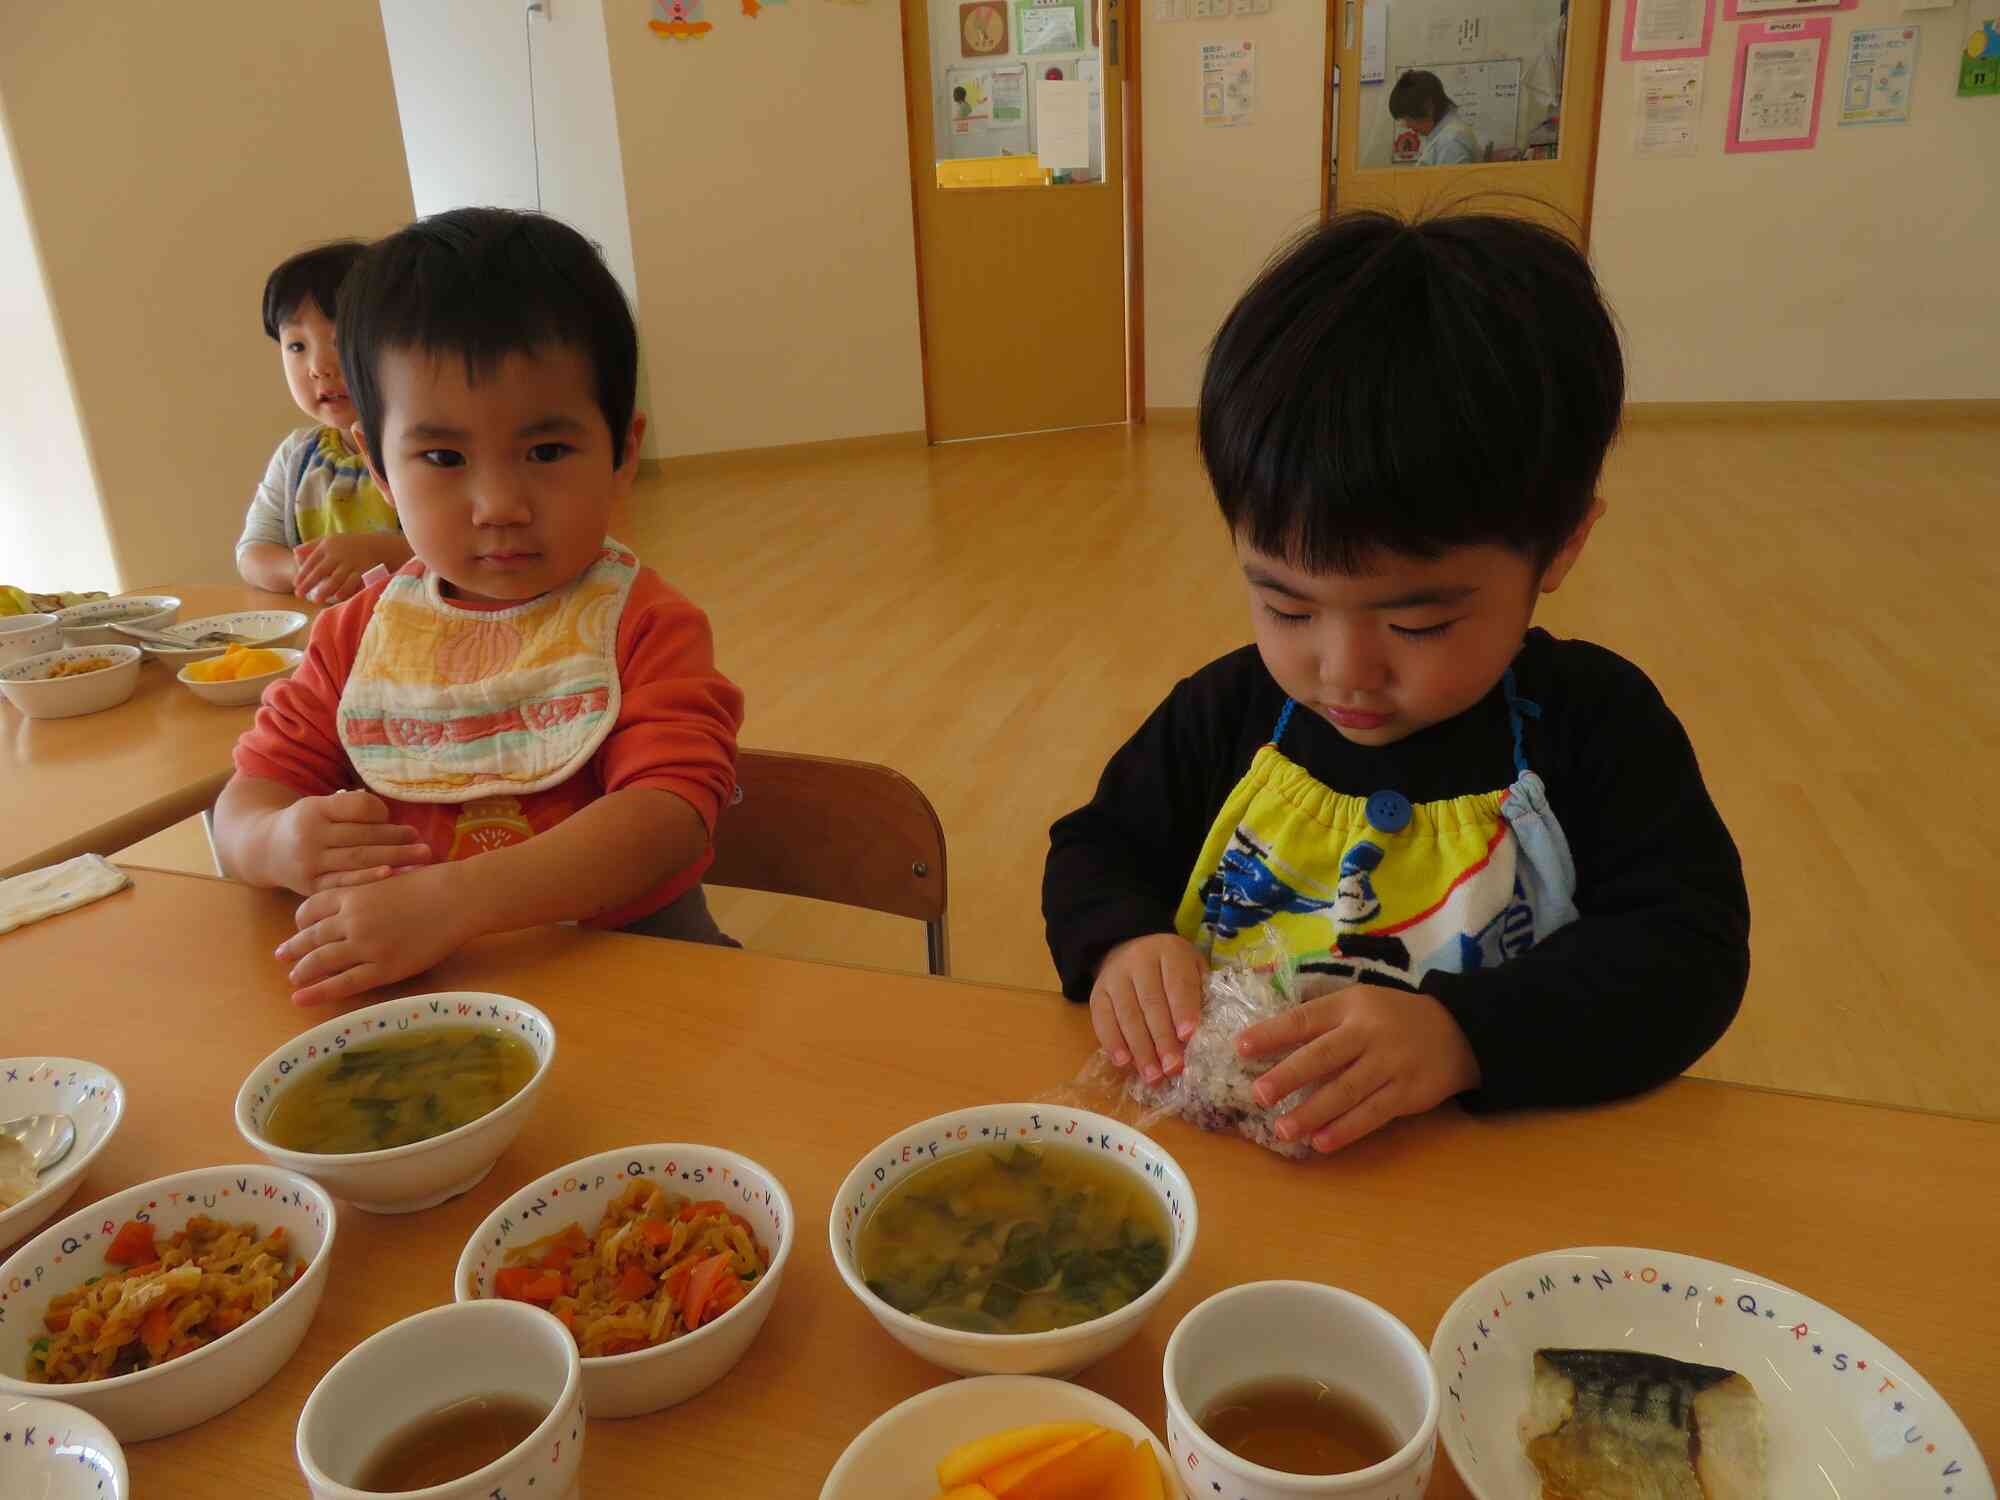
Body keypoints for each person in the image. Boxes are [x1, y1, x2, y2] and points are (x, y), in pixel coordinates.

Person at [1042, 211, 1749, 1154]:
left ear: (1564, 543)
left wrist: (1467, 1036)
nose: (1342, 670)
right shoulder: (1225, 715)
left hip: (1491, 1175)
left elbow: (1686, 957)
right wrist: (1121, 941)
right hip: (1220, 1184)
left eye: (1417, 623)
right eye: (1286, 608)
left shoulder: (1595, 729)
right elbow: (1095, 847)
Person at [214, 208, 745, 1006]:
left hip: (636, 978)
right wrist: (277, 839)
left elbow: (667, 820)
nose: (498, 503)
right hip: (418, 985)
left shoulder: (642, 625)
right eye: (442, 457)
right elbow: (245, 799)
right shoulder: (361, 634)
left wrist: (451, 904)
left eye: (546, 452)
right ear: (380, 470)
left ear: (622, 452)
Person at [237, 242, 413, 602]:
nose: (320, 367)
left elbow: (469, 548)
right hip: (330, 638)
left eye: (340, 340)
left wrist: (383, 554)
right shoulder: (298, 455)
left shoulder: (425, 446)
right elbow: (253, 552)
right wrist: (305, 571)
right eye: (297, 346)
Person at [1388, 70, 1482, 166]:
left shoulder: (1451, 141)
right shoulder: (1444, 135)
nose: (1407, 126)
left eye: (1409, 119)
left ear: (1428, 107)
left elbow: (1449, 181)